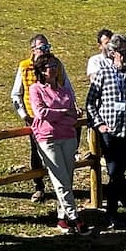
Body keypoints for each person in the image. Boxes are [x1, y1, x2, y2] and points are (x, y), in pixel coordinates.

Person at [85, 32, 126, 226]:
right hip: (109, 133)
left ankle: (118, 212)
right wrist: (99, 124)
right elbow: (90, 102)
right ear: (113, 53)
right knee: (114, 172)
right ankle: (125, 206)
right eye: (122, 51)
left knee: (117, 174)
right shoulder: (103, 72)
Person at [27, 54, 84, 234]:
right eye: (49, 66)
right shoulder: (36, 89)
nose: (53, 68)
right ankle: (75, 218)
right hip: (48, 138)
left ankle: (62, 218)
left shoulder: (64, 90)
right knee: (60, 179)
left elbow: (74, 115)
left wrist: (65, 113)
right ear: (42, 70)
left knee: (67, 178)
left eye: (55, 65)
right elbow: (41, 112)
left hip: (68, 136)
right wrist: (64, 112)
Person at [11, 36, 67, 205]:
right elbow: (16, 93)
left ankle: (61, 186)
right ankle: (39, 186)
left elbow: (66, 87)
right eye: (42, 47)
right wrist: (24, 115)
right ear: (33, 49)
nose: (46, 50)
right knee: (36, 152)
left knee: (58, 153)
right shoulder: (24, 67)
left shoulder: (56, 65)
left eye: (48, 46)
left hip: (57, 118)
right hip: (35, 119)